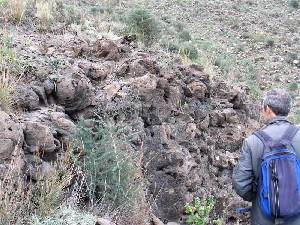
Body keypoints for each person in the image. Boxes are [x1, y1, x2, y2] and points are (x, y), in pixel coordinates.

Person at [232, 88, 300, 225]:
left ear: (268, 109)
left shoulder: (252, 141)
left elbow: (241, 183)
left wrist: (260, 197)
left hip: (263, 217)